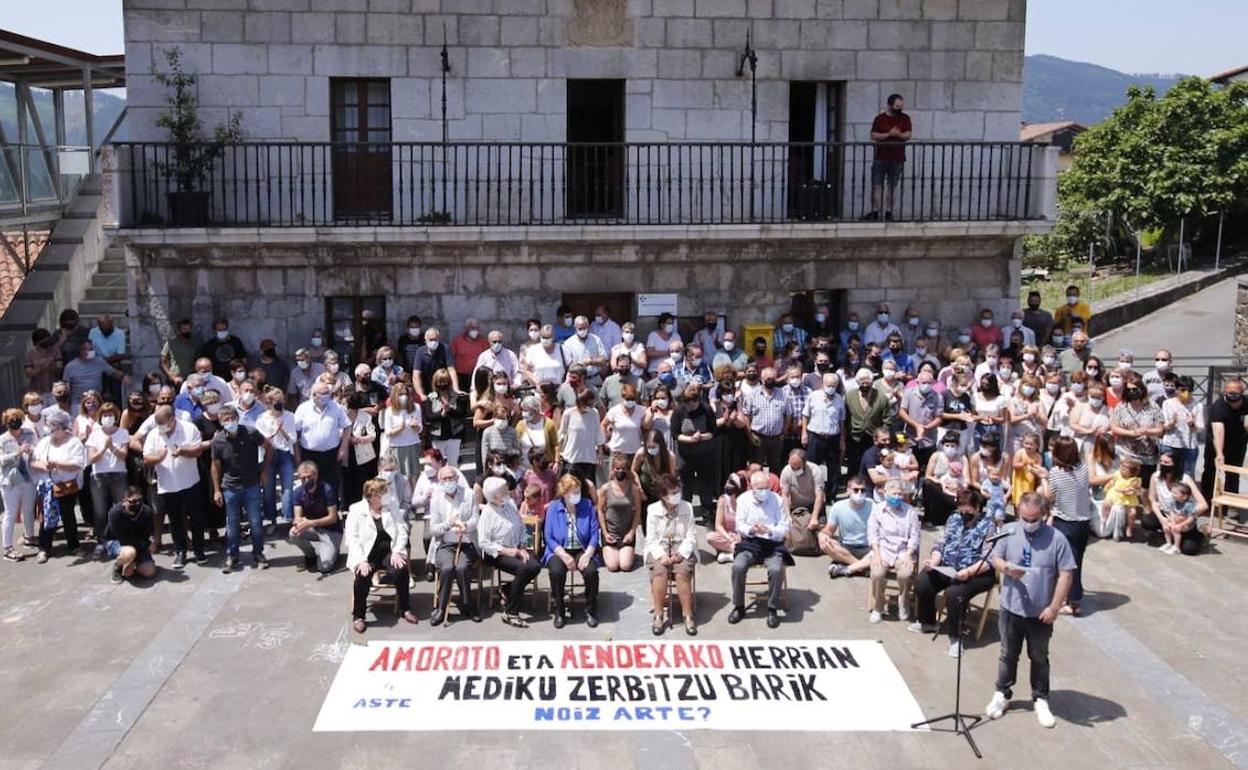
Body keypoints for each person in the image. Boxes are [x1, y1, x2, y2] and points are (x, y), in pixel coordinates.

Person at [985, 492, 1076, 729]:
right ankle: (1002, 693)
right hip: (1011, 606)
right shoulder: (1009, 531)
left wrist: (1054, 607)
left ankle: (1041, 698)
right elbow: (995, 557)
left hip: (1040, 611)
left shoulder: (1057, 539)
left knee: (1039, 656)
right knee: (1007, 653)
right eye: (1024, 518)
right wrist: (1006, 568)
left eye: (1034, 519)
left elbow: (1066, 574)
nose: (1028, 523)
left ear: (1043, 515)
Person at [910, 488, 997, 657]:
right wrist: (934, 560)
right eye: (961, 511)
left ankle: (956, 638)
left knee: (954, 593)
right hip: (949, 565)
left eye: (968, 512)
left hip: (976, 571)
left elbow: (989, 558)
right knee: (923, 582)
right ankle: (927, 621)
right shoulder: (953, 519)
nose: (964, 515)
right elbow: (940, 543)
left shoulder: (988, 525)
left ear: (977, 508)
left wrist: (969, 572)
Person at [346, 478, 417, 632]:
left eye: (385, 493)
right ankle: (359, 616)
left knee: (401, 570)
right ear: (371, 496)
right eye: (380, 494)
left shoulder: (391, 507)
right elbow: (352, 538)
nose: (385, 497)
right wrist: (361, 560)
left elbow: (402, 529)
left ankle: (405, 608)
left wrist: (397, 550)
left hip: (388, 552)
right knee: (362, 576)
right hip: (366, 554)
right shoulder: (356, 510)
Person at [143, 405, 206, 568]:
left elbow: (198, 450)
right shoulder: (154, 434)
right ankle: (180, 552)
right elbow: (147, 457)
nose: (160, 427)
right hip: (167, 485)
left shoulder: (189, 428)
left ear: (172, 420)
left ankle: (199, 550)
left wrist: (183, 451)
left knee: (196, 518)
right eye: (157, 424)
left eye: (162, 423)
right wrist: (158, 458)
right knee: (175, 520)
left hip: (190, 482)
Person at [211, 404, 271, 573]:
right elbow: (215, 466)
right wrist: (217, 490)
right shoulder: (218, 441)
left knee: (255, 522)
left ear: (237, 418)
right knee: (232, 524)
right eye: (226, 420)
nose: (230, 422)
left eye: (232, 418)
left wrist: (264, 470)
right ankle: (232, 556)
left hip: (251, 484)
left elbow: (268, 447)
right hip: (230, 487)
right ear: (220, 422)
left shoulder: (251, 433)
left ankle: (258, 553)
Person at [727, 471, 790, 629]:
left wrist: (769, 530)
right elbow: (739, 525)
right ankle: (739, 606)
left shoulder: (777, 500)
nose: (764, 491)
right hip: (751, 542)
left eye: (766, 488)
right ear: (752, 488)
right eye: (760, 488)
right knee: (738, 566)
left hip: (772, 543)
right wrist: (752, 529)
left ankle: (772, 608)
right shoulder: (743, 499)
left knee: (776, 570)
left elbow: (784, 526)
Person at [478, 476, 542, 627]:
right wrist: (508, 551)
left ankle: (507, 590)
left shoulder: (511, 504)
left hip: (516, 548)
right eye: (503, 490)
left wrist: (523, 547)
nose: (507, 492)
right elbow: (484, 543)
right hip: (495, 553)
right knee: (522, 569)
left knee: (535, 566)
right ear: (494, 496)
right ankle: (511, 612)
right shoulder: (488, 513)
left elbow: (522, 527)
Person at [543, 474, 602, 628]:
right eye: (574, 492)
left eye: (579, 491)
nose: (577, 495)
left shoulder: (587, 505)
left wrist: (588, 554)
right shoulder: (553, 508)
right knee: (556, 572)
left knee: (591, 572)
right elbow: (548, 537)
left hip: (582, 548)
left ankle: (591, 610)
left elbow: (595, 533)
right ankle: (559, 611)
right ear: (564, 493)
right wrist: (564, 555)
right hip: (559, 550)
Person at [644, 473, 698, 636]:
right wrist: (661, 556)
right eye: (673, 493)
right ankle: (658, 614)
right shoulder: (652, 510)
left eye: (678, 491)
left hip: (682, 549)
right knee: (660, 572)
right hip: (659, 549)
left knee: (682, 572)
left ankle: (688, 615)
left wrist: (681, 554)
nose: (677, 495)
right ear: (663, 496)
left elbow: (692, 535)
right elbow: (651, 539)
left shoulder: (687, 507)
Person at [30, 411, 88, 563]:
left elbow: (78, 464)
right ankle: (44, 548)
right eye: (49, 426)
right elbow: (33, 461)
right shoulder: (45, 442)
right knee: (47, 518)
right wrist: (45, 466)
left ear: (62, 427)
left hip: (66, 486)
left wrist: (58, 464)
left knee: (68, 516)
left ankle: (74, 546)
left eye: (53, 426)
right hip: (48, 486)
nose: (50, 429)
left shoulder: (74, 442)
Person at [867, 479, 920, 623]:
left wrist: (909, 554)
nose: (897, 497)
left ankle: (903, 601)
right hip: (884, 549)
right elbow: (873, 534)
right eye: (894, 493)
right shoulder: (878, 510)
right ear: (886, 493)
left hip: (903, 550)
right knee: (877, 573)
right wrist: (877, 554)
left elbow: (914, 536)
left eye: (900, 494)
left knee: (905, 574)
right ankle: (878, 606)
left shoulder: (910, 512)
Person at [293, 382, 351, 503]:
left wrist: (343, 447)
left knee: (332, 485)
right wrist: (297, 455)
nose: (326, 396)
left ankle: (333, 511)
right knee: (310, 485)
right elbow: (295, 434)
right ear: (314, 394)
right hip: (309, 454)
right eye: (323, 393)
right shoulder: (303, 409)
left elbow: (347, 426)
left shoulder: (336, 408)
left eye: (327, 393)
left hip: (332, 454)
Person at [86, 402, 130, 554]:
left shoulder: (122, 433)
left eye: (110, 415)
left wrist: (112, 447)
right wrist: (104, 448)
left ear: (116, 416)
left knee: (121, 508)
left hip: (118, 474)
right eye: (105, 415)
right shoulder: (95, 434)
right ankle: (101, 541)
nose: (107, 417)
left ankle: (122, 538)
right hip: (98, 476)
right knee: (100, 511)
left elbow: (123, 455)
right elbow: (92, 458)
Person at [287, 461, 342, 574]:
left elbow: (333, 518)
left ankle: (334, 550)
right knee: (293, 533)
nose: (306, 480)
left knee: (324, 567)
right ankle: (310, 555)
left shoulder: (327, 490)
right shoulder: (298, 492)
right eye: (303, 478)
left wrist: (310, 523)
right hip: (314, 528)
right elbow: (297, 516)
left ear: (316, 475)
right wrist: (298, 523)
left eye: (309, 477)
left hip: (331, 531)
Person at [864, 93, 912, 221]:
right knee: (877, 185)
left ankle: (889, 212)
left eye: (901, 106)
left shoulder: (905, 118)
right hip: (881, 157)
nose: (899, 109)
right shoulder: (880, 118)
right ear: (890, 105)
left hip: (897, 158)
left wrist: (898, 134)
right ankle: (875, 212)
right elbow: (873, 135)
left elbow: (908, 135)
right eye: (897, 106)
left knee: (892, 186)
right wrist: (888, 134)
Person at [1150, 453, 1208, 556]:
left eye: (1166, 462)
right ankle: (1169, 539)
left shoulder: (1185, 479)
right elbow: (1152, 500)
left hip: (1183, 517)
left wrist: (1184, 516)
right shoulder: (1155, 477)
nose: (1162, 464)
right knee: (1147, 521)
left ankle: (1199, 535)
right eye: (1161, 461)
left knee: (1189, 549)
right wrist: (1162, 519)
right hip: (1166, 514)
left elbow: (1203, 505)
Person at [1202, 375, 1247, 505]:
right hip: (1215, 445)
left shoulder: (1246, 403)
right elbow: (1218, 432)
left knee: (1233, 474)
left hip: (1237, 445)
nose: (1233, 396)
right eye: (1230, 393)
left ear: (1242, 392)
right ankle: (1207, 501)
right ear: (1224, 392)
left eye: (1236, 393)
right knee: (1210, 471)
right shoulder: (1218, 408)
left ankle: (1230, 504)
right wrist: (1220, 453)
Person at [1, 407, 38, 561]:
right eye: (11, 420)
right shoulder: (3, 439)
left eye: (17, 418)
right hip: (11, 481)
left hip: (29, 477)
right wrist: (18, 451)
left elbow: (38, 450)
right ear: (6, 423)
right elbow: (1, 460)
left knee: (28, 510)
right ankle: (7, 548)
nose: (15, 422)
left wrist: (31, 451)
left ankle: (29, 537)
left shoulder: (29, 433)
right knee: (10, 513)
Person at [822, 476, 875, 579]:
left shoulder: (873, 506)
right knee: (829, 544)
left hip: (867, 547)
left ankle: (847, 569)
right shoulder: (838, 506)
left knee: (881, 551)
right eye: (856, 490)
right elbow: (829, 530)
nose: (859, 493)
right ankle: (862, 568)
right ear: (848, 491)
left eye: (862, 490)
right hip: (846, 547)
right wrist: (823, 536)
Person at [104, 486, 158, 583]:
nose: (137, 504)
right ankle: (118, 566)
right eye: (133, 501)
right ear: (124, 500)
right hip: (116, 541)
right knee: (129, 552)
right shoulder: (115, 513)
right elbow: (123, 538)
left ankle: (132, 563)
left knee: (149, 572)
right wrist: (144, 546)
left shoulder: (146, 512)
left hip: (138, 543)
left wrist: (152, 542)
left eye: (140, 501)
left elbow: (149, 533)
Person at [597, 454, 641, 572]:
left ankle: (628, 553)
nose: (620, 471)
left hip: (626, 534)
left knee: (625, 566)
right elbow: (600, 510)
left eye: (623, 469)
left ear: (628, 470)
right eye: (617, 468)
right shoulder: (605, 489)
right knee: (613, 566)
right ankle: (607, 551)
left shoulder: (634, 489)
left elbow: (637, 512)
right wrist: (605, 533)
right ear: (613, 469)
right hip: (611, 533)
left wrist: (632, 532)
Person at [557, 388, 604, 486]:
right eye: (588, 405)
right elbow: (561, 434)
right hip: (571, 458)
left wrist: (600, 454)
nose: (590, 408)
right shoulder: (568, 413)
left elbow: (598, 433)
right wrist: (557, 455)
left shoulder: (594, 413)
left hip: (589, 459)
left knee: (589, 488)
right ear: (581, 403)